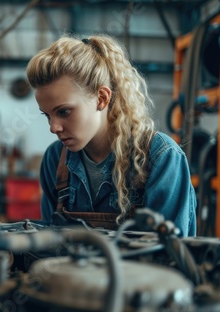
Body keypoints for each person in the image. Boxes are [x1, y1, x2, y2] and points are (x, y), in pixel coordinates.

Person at [26, 35, 196, 236]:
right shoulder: (55, 160)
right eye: (47, 115)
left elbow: (171, 257)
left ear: (101, 98)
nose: (53, 128)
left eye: (64, 112)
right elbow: (48, 245)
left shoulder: (160, 158)